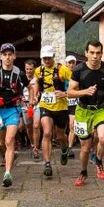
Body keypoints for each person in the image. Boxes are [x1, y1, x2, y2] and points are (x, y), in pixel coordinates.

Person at [0, 43, 35, 187]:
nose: (7, 57)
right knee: (0, 142)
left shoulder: (19, 74)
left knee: (9, 139)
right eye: (5, 54)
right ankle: (9, 156)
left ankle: (7, 174)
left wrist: (30, 103)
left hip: (13, 109)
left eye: (10, 54)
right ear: (1, 57)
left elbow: (30, 88)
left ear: (14, 56)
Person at [67, 40, 104, 186]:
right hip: (83, 111)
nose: (95, 56)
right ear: (86, 53)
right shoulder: (78, 70)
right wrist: (84, 92)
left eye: (98, 53)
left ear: (101, 54)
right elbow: (69, 93)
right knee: (85, 148)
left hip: (100, 109)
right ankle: (83, 171)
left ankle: (99, 160)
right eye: (92, 53)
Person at [34, 45, 72, 178]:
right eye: (44, 58)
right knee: (47, 132)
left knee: (60, 135)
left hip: (61, 107)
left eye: (49, 58)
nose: (47, 60)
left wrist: (65, 93)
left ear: (53, 57)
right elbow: (37, 83)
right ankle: (47, 163)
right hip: (45, 105)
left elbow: (75, 85)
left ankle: (64, 149)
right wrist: (35, 95)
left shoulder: (63, 70)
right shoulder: (38, 70)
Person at [65, 55, 78, 158]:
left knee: (72, 125)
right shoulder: (61, 75)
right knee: (59, 129)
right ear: (66, 64)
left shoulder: (78, 75)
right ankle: (63, 146)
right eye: (69, 63)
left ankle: (70, 148)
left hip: (73, 103)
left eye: (73, 62)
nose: (71, 65)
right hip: (62, 103)